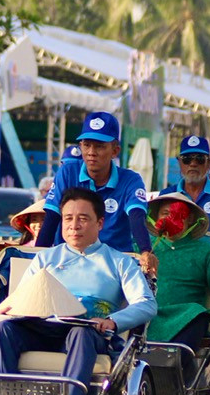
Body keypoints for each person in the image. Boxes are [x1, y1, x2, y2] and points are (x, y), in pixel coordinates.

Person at [0, 188, 157, 395]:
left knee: (80, 333)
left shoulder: (119, 262)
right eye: (68, 218)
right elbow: (22, 297)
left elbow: (146, 303)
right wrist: (8, 307)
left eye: (83, 219)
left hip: (88, 333)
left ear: (100, 223)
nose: (74, 226)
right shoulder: (45, 257)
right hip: (43, 327)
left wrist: (112, 321)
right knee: (4, 329)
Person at [36, 111, 157, 277]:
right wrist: (37, 256)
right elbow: (52, 216)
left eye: (99, 146)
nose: (91, 152)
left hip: (115, 267)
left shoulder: (130, 180)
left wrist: (145, 251)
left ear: (115, 151)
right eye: (86, 145)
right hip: (68, 263)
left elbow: (136, 216)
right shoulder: (67, 172)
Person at [145, 193, 210, 356]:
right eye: (165, 213)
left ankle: (178, 364)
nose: (170, 218)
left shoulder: (205, 252)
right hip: (149, 312)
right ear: (156, 217)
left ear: (189, 219)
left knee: (197, 313)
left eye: (177, 214)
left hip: (188, 315)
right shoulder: (145, 249)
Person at [165, 135, 210, 232]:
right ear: (179, 163)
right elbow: (159, 232)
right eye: (187, 159)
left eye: (200, 158)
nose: (193, 164)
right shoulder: (167, 195)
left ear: (209, 164)